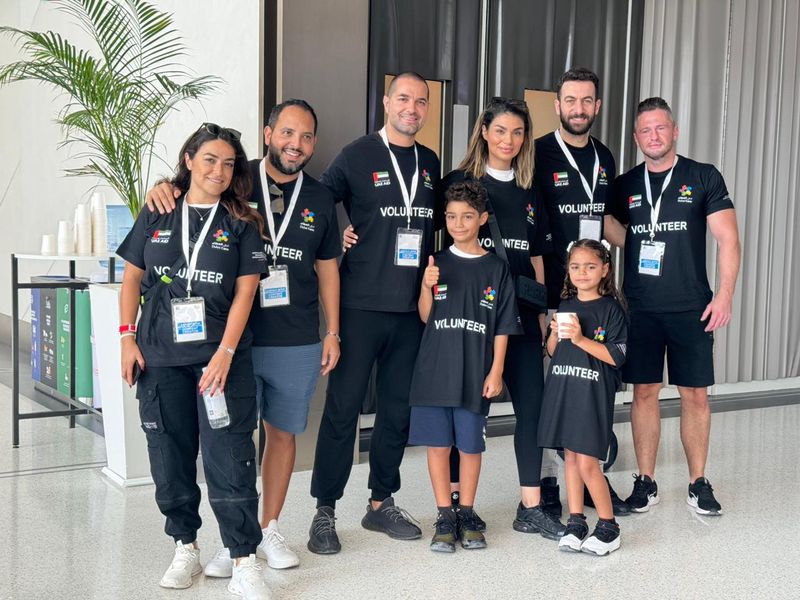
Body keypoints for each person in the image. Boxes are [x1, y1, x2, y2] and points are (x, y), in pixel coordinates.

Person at [145, 100, 342, 573]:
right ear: (268, 132)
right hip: (234, 342)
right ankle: (234, 541)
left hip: (296, 337)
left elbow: (328, 269)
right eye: (288, 133)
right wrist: (162, 188)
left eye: (307, 136)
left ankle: (268, 528)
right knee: (230, 443)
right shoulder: (236, 174)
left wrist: (333, 331)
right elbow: (189, 189)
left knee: (281, 433)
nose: (297, 144)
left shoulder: (320, 196)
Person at [118, 123, 271, 599]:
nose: (219, 171)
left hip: (220, 362)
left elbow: (247, 293)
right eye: (210, 160)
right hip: (161, 359)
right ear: (189, 160)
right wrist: (127, 339)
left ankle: (244, 559)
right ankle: (185, 546)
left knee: (230, 457)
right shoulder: (158, 209)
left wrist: (225, 354)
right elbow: (131, 280)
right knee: (170, 455)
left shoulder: (243, 222)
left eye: (229, 163)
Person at [308, 72, 440, 553]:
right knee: (343, 410)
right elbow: (318, 199)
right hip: (360, 304)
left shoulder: (429, 162)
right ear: (386, 103)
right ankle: (325, 510)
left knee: (396, 412)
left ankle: (380, 504)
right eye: (403, 98)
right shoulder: (358, 154)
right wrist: (335, 234)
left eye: (420, 101)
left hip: (410, 311)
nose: (412, 107)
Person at [607, 97, 740, 515]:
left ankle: (698, 481)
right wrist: (631, 241)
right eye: (645, 130)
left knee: (695, 394)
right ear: (636, 137)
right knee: (644, 392)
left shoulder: (702, 177)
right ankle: (646, 482)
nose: (654, 136)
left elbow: (728, 239)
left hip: (692, 308)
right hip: (640, 308)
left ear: (675, 130)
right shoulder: (626, 184)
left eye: (660, 128)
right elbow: (608, 224)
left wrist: (724, 294)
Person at [440, 97, 565, 540]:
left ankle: (530, 506)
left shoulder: (531, 190)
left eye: (517, 132)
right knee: (468, 413)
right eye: (500, 131)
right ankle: (454, 507)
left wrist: (547, 315)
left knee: (532, 410)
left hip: (523, 320)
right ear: (483, 132)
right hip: (471, 320)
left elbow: (537, 258)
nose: (507, 141)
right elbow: (437, 242)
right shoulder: (459, 182)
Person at [534, 67, 629, 516]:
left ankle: (591, 472)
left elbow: (608, 220)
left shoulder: (605, 157)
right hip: (556, 293)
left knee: (590, 386)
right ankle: (552, 481)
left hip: (595, 296)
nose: (578, 109)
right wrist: (540, 304)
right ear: (557, 106)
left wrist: (649, 244)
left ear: (597, 106)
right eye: (570, 100)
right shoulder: (536, 155)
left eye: (586, 101)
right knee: (555, 388)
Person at [409, 180, 522, 552]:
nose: (459, 224)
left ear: (483, 219)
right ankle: (444, 514)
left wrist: (496, 370)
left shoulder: (496, 268)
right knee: (439, 447)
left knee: (471, 447)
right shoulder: (436, 263)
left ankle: (468, 512)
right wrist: (425, 287)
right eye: (452, 216)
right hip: (434, 371)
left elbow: (504, 324)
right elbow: (426, 317)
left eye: (468, 217)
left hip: (475, 371)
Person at [539, 239, 627, 556]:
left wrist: (579, 338)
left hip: (591, 395)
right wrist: (553, 333)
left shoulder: (612, 310)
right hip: (564, 392)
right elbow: (552, 352)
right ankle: (576, 521)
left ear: (604, 269)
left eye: (590, 266)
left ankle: (608, 525)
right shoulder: (566, 306)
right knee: (571, 459)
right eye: (575, 267)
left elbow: (616, 356)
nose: (582, 272)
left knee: (589, 463)